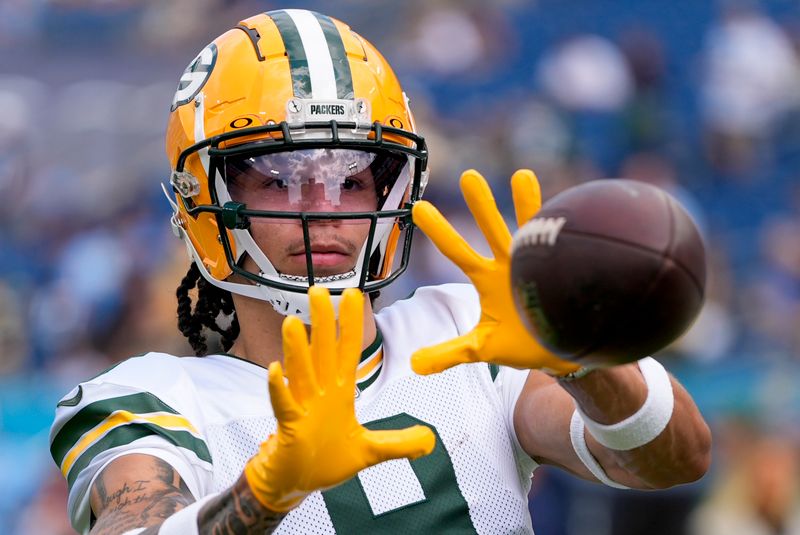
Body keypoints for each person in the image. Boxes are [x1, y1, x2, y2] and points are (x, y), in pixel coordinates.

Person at [49, 9, 712, 534]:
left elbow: (674, 458)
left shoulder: (464, 334)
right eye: (281, 177)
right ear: (203, 199)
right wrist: (267, 492)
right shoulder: (152, 399)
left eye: (353, 175)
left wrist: (580, 355)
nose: (325, 207)